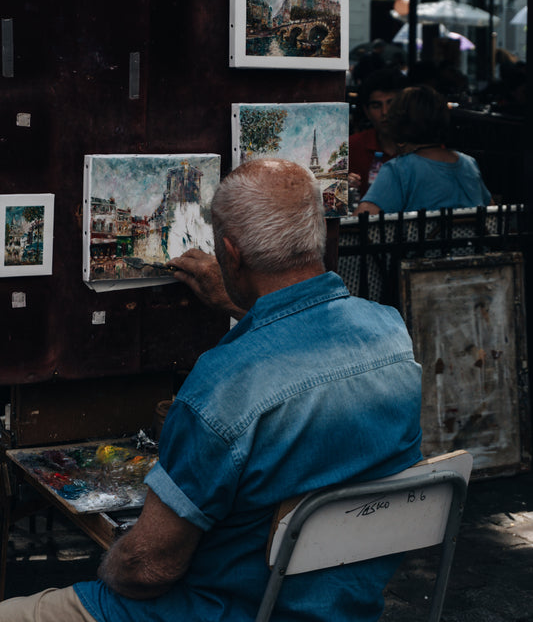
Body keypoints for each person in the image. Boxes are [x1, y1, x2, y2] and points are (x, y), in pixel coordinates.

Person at [0, 159, 422, 622]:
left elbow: (147, 570)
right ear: (314, 232)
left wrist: (112, 563)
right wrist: (244, 305)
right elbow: (309, 353)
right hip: (344, 608)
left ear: (230, 252)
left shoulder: (222, 385)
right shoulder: (390, 336)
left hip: (221, 611)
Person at [356, 85, 492, 215]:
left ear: (398, 125)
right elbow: (492, 213)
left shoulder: (399, 169)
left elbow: (361, 223)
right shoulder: (469, 164)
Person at [348, 68, 406, 197]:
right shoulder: (351, 147)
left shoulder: (424, 147)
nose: (385, 112)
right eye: (376, 106)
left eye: (391, 103)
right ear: (366, 111)